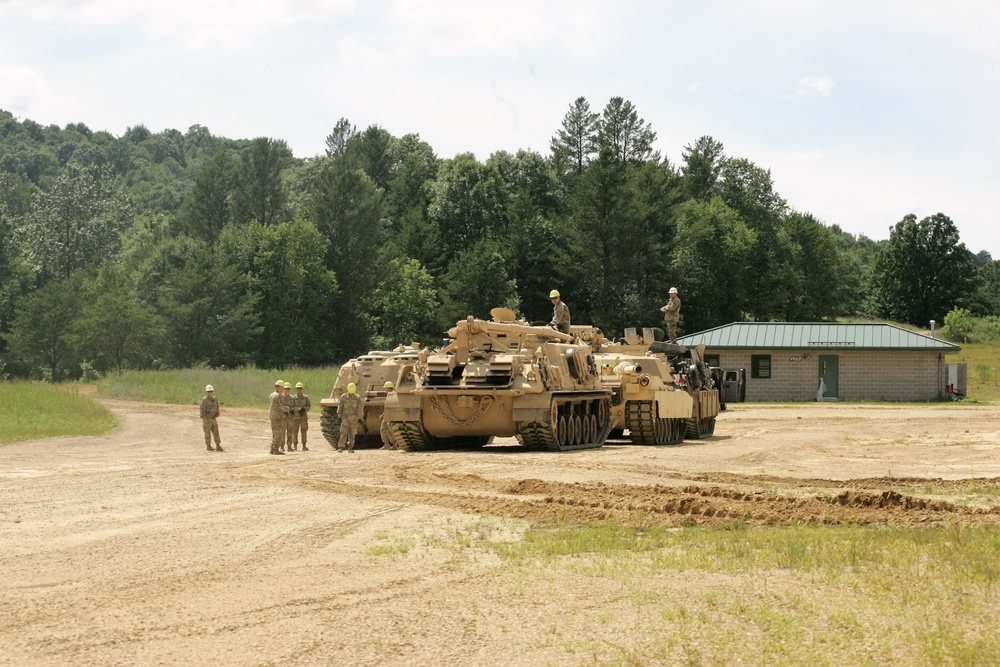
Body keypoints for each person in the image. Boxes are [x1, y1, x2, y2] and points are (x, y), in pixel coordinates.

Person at [337, 382, 364, 453]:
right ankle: (341, 447)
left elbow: (360, 408)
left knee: (352, 434)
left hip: (354, 418)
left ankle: (350, 447)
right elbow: (340, 406)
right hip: (345, 418)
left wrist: (360, 418)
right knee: (344, 433)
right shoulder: (343, 397)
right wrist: (339, 416)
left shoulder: (357, 397)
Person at [200, 384, 223, 452]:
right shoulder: (204, 400)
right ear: (207, 392)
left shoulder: (215, 399)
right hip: (207, 419)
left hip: (213, 419)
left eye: (211, 391)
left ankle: (218, 445)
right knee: (207, 433)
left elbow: (217, 406)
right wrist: (204, 419)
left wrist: (217, 414)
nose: (210, 392)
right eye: (209, 391)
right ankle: (208, 445)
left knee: (216, 432)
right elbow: (202, 410)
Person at [268, 380, 288, 455]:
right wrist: (287, 409)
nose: (283, 389)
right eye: (283, 388)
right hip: (278, 416)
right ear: (279, 387)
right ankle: (275, 449)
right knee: (279, 433)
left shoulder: (272, 394)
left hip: (272, 415)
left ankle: (272, 448)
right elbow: (281, 406)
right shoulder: (279, 395)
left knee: (274, 432)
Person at [379, 381, 399, 451]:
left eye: (385, 388)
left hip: (390, 416)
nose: (385, 389)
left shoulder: (391, 395)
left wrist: (384, 415)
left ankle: (391, 445)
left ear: (388, 388)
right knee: (387, 430)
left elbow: (390, 407)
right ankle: (390, 444)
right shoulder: (392, 394)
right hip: (389, 415)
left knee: (386, 429)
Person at [291, 382, 311, 451]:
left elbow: (309, 406)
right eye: (298, 388)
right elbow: (291, 407)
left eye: (300, 388)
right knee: (295, 431)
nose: (299, 390)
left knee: (304, 431)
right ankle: (295, 445)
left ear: (302, 389)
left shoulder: (305, 398)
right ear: (296, 389)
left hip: (303, 417)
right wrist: (295, 409)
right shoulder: (293, 398)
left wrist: (303, 409)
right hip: (295, 417)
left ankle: (304, 445)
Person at [282, 382, 295, 451]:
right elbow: (280, 406)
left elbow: (294, 406)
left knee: (290, 432)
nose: (287, 390)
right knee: (282, 432)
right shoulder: (281, 397)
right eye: (286, 389)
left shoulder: (292, 398)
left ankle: (289, 446)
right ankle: (282, 446)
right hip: (283, 417)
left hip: (290, 417)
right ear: (284, 389)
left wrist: (292, 409)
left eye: (288, 389)